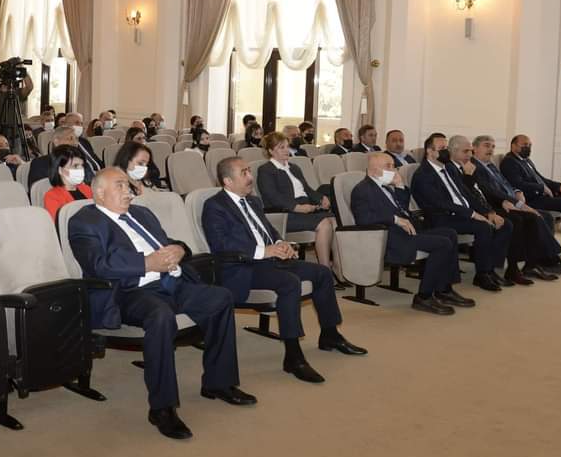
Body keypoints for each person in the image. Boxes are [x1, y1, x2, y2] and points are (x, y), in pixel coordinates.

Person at [69, 168, 251, 440]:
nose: (128, 192)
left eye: (128, 186)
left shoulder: (142, 214)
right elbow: (98, 264)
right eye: (120, 186)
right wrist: (146, 263)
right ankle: (162, 408)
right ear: (99, 193)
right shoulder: (84, 221)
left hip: (171, 283)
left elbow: (166, 243)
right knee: (160, 315)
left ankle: (219, 383)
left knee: (220, 298)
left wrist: (180, 249)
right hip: (130, 292)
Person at [203, 157, 366, 384]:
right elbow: (221, 244)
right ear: (227, 181)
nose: (250, 177)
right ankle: (293, 356)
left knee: (321, 273)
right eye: (244, 173)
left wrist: (281, 243)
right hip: (242, 268)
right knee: (289, 283)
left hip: (270, 260)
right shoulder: (215, 206)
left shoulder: (253, 201)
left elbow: (269, 231)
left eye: (249, 171)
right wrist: (264, 251)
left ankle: (330, 334)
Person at [351, 152, 473, 315]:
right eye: (388, 166)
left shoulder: (386, 187)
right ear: (373, 170)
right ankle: (423, 296)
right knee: (443, 244)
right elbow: (363, 219)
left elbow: (402, 209)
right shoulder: (362, 190)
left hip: (406, 232)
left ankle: (444, 289)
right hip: (390, 238)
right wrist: (395, 219)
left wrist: (400, 186)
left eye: (393, 166)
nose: (394, 170)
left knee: (449, 233)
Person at [412, 133, 513, 292]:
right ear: (430, 152)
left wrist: (488, 212)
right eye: (442, 148)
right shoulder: (423, 175)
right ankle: (482, 274)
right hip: (441, 217)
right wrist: (472, 214)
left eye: (446, 148)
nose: (446, 152)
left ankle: (490, 270)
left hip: (459, 214)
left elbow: (466, 194)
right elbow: (441, 203)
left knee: (503, 223)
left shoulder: (448, 169)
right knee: (483, 227)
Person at [463, 135, 561, 281]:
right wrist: (518, 204)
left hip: (508, 201)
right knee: (526, 218)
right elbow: (489, 191)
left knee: (544, 216)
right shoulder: (473, 166)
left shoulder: (491, 165)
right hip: (495, 205)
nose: (491, 149)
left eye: (493, 146)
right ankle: (536, 263)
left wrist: (517, 191)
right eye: (486, 145)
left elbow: (505, 184)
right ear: (474, 148)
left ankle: (536, 262)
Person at [501, 134, 561, 259]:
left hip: (542, 195)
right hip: (531, 199)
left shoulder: (526, 161)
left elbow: (541, 179)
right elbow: (517, 183)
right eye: (524, 145)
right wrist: (541, 188)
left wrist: (559, 186)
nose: (528, 147)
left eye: (530, 145)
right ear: (513, 146)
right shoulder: (509, 162)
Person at [256, 132, 338, 274]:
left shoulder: (294, 167)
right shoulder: (266, 170)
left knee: (334, 220)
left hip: (305, 209)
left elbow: (307, 189)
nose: (286, 150)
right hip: (285, 214)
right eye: (281, 147)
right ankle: (325, 269)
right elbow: (273, 197)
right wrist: (296, 207)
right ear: (271, 151)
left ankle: (337, 266)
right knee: (324, 224)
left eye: (287, 146)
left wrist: (321, 198)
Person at [43, 146, 91, 221]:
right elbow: (59, 224)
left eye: (82, 165)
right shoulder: (52, 196)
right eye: (75, 166)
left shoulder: (86, 189)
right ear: (60, 170)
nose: (81, 169)